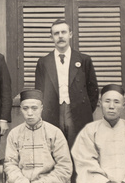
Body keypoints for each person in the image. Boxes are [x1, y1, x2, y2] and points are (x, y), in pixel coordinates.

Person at [34, 19, 98, 147]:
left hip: (77, 110)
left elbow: (93, 90)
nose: (60, 36)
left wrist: (84, 109)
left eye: (63, 32)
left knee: (78, 147)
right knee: (55, 147)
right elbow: (39, 92)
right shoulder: (44, 62)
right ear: (51, 37)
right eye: (56, 33)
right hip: (53, 111)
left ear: (70, 34)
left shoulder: (84, 60)